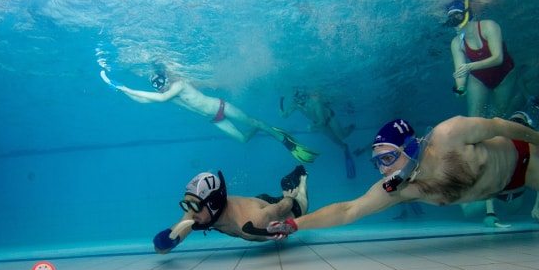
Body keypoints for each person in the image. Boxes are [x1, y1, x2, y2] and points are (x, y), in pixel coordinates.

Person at [252, 117, 539, 239]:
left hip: (523, 164)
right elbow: (349, 210)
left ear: (411, 147)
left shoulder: (449, 134)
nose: (384, 171)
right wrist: (295, 224)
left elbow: (499, 125)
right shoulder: (401, 189)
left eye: (388, 159)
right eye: (378, 163)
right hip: (498, 190)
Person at [102, 67, 320, 163]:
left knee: (253, 121)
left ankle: (281, 138)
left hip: (221, 107)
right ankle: (262, 128)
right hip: (214, 119)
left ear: (166, 79)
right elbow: (144, 100)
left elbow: (159, 98)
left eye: (161, 83)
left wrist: (127, 88)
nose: (160, 88)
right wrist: (122, 91)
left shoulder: (178, 85)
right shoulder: (167, 94)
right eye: (156, 86)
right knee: (243, 139)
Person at [153, 166, 308, 254]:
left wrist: (289, 197)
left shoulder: (253, 220)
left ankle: (300, 178)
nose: (190, 212)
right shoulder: (198, 211)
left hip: (285, 209)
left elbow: (281, 208)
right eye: (187, 205)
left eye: (194, 206)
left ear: (214, 203)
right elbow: (166, 245)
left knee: (301, 203)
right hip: (256, 204)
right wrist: (164, 242)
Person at [447, 0, 517, 118]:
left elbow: (498, 58)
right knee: (474, 118)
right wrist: (460, 88)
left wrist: (470, 66)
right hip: (479, 78)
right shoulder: (456, 42)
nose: (455, 21)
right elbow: (460, 71)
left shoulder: (489, 26)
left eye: (457, 16)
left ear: (467, 14)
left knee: (498, 116)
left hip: (505, 75)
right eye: (451, 18)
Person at [280, 89, 357, 177]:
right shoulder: (295, 103)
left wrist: (312, 126)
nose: (300, 101)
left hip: (329, 118)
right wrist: (283, 114)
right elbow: (286, 114)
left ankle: (351, 128)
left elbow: (322, 121)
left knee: (343, 135)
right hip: (318, 124)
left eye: (302, 97)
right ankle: (344, 147)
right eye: (297, 98)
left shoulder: (315, 102)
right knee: (334, 139)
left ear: (306, 96)